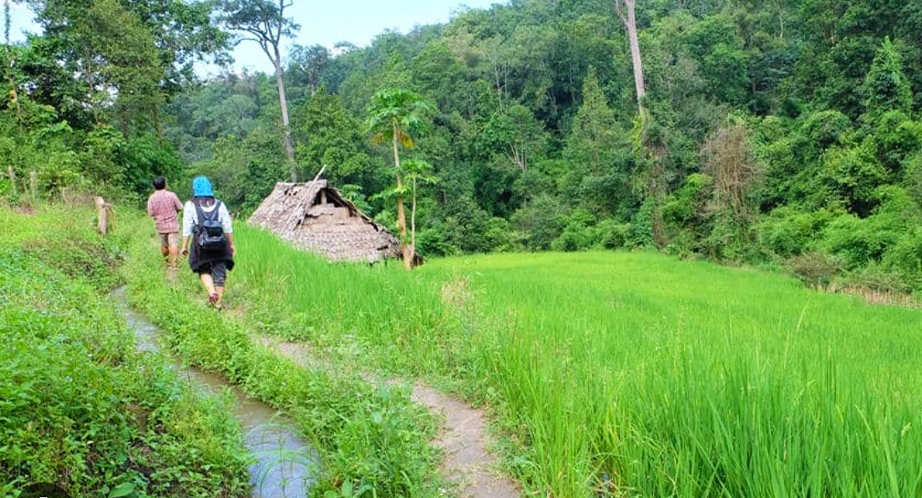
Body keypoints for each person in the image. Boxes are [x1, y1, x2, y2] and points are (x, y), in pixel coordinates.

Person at [180, 176, 236, 308]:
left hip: (201, 244)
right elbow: (227, 226)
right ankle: (218, 304)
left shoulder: (190, 205)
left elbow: (187, 227)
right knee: (220, 271)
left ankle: (211, 291)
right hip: (220, 244)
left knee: (203, 268)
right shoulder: (220, 204)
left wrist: (184, 246)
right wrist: (232, 244)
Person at [146, 176, 184, 270]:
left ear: (154, 186)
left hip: (161, 225)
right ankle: (175, 265)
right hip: (172, 224)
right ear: (165, 184)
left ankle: (167, 263)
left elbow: (151, 213)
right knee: (173, 243)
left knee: (164, 245)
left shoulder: (152, 198)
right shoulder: (171, 195)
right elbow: (180, 207)